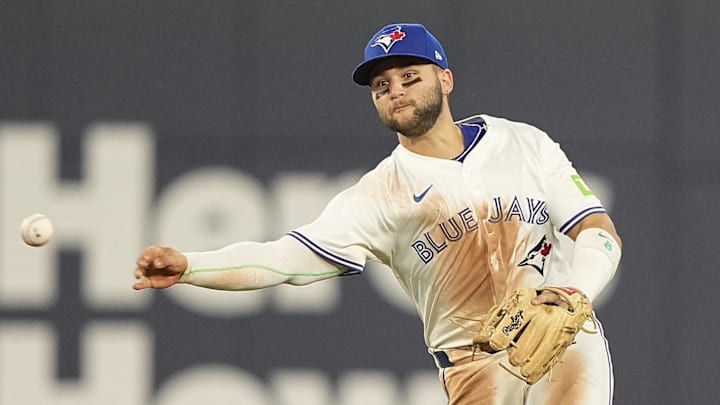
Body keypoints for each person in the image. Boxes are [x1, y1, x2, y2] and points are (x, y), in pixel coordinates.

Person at [133, 23, 622, 405]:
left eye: (411, 77)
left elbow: (598, 232)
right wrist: (192, 267)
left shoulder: (523, 143)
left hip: (564, 341)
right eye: (382, 85)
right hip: (475, 368)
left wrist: (570, 295)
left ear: (445, 80)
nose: (396, 91)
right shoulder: (380, 194)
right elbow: (286, 260)